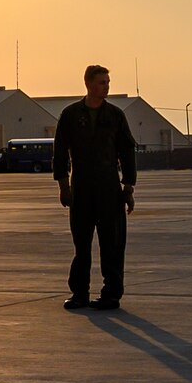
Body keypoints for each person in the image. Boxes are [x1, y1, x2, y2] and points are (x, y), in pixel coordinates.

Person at [53, 64, 137, 311]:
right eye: (102, 82)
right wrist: (63, 185)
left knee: (112, 244)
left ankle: (111, 294)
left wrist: (129, 187)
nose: (106, 86)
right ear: (88, 84)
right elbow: (60, 153)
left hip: (109, 187)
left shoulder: (115, 115)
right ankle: (80, 293)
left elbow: (127, 152)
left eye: (108, 82)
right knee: (82, 245)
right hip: (82, 187)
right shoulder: (70, 115)